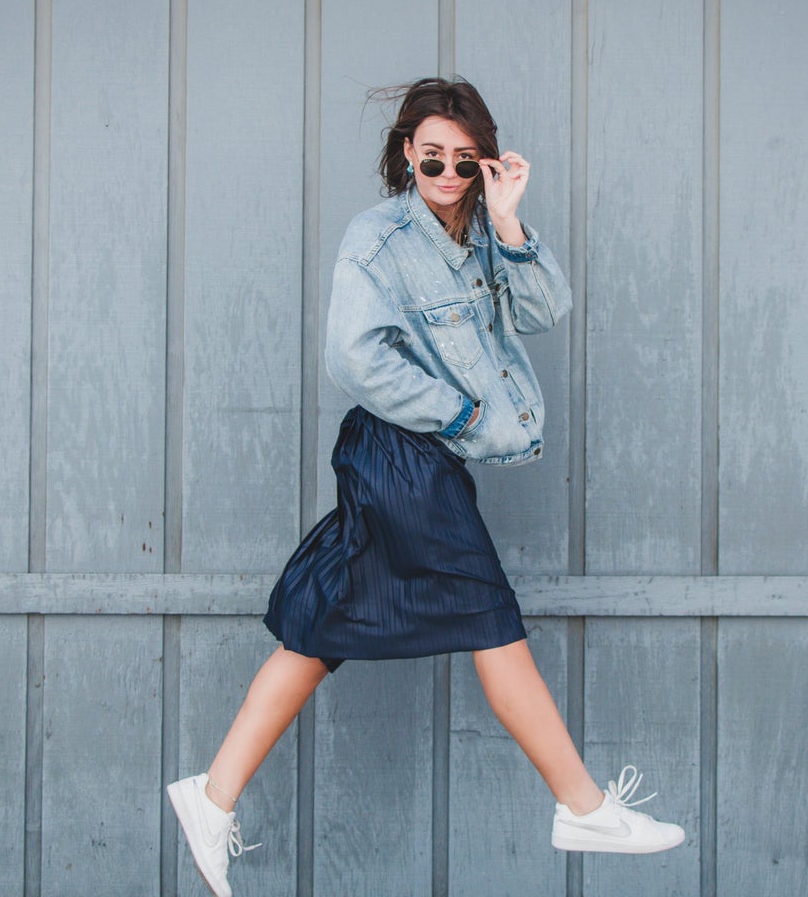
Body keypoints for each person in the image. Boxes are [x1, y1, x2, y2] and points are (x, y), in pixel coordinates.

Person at [168, 77, 685, 897]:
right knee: (491, 617)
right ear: (406, 152)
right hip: (403, 452)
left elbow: (548, 308)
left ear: (483, 161)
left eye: (464, 160)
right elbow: (354, 357)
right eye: (432, 158)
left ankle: (212, 793)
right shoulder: (377, 240)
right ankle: (580, 805)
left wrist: (510, 219)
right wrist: (462, 410)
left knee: (321, 623)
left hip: (413, 460)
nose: (446, 174)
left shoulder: (484, 230)